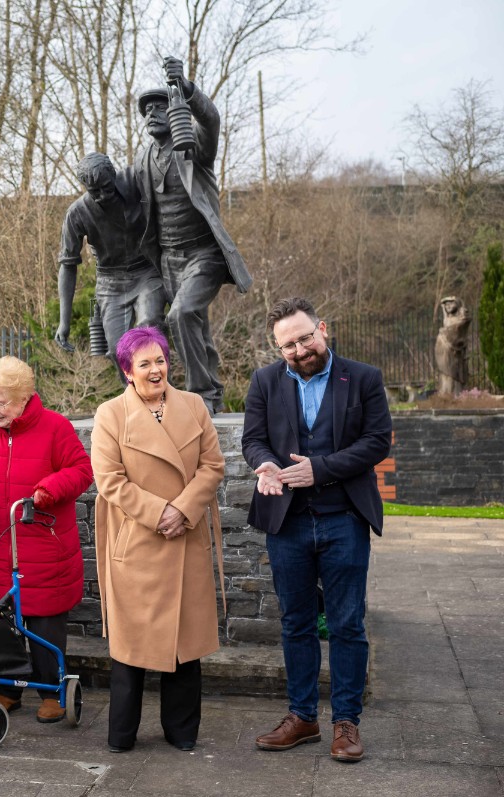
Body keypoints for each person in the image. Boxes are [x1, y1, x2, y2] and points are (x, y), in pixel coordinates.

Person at [242, 297, 392, 763]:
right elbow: (253, 438)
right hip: (286, 523)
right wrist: (264, 464)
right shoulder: (265, 381)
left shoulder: (363, 378)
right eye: (289, 344)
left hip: (344, 518)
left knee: (347, 624)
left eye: (306, 337)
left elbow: (376, 441)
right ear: (278, 347)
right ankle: (303, 717)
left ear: (322, 329)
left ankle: (346, 723)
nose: (301, 349)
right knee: (295, 623)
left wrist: (321, 469)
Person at [90, 327, 225, 753]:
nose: (155, 370)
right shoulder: (110, 414)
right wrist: (157, 513)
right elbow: (109, 481)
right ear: (127, 371)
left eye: (160, 360)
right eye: (144, 363)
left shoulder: (194, 405)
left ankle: (182, 732)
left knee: (185, 647)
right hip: (138, 542)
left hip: (186, 538)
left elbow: (212, 466)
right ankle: (122, 734)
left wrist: (182, 510)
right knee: (131, 650)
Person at [0, 356, 93, 724]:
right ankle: (8, 687)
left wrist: (49, 488)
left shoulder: (55, 427)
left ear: (23, 398)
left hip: (44, 545)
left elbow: (81, 471)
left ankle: (51, 690)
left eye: (1, 402)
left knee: (44, 622)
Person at [134, 57, 253, 414]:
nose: (153, 114)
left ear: (173, 113)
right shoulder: (142, 159)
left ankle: (201, 395)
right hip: (168, 259)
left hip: (203, 254)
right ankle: (208, 394)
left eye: (160, 108)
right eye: (147, 111)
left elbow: (212, 120)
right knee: (192, 325)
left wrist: (187, 89)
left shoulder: (194, 151)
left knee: (181, 315)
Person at [55, 152, 166, 372]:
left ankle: (161, 393)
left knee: (149, 326)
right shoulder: (77, 213)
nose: (103, 195)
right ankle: (136, 399)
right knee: (118, 350)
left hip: (146, 273)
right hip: (110, 283)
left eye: (107, 187)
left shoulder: (136, 186)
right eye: (95, 191)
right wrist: (64, 321)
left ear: (114, 176)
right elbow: (67, 265)